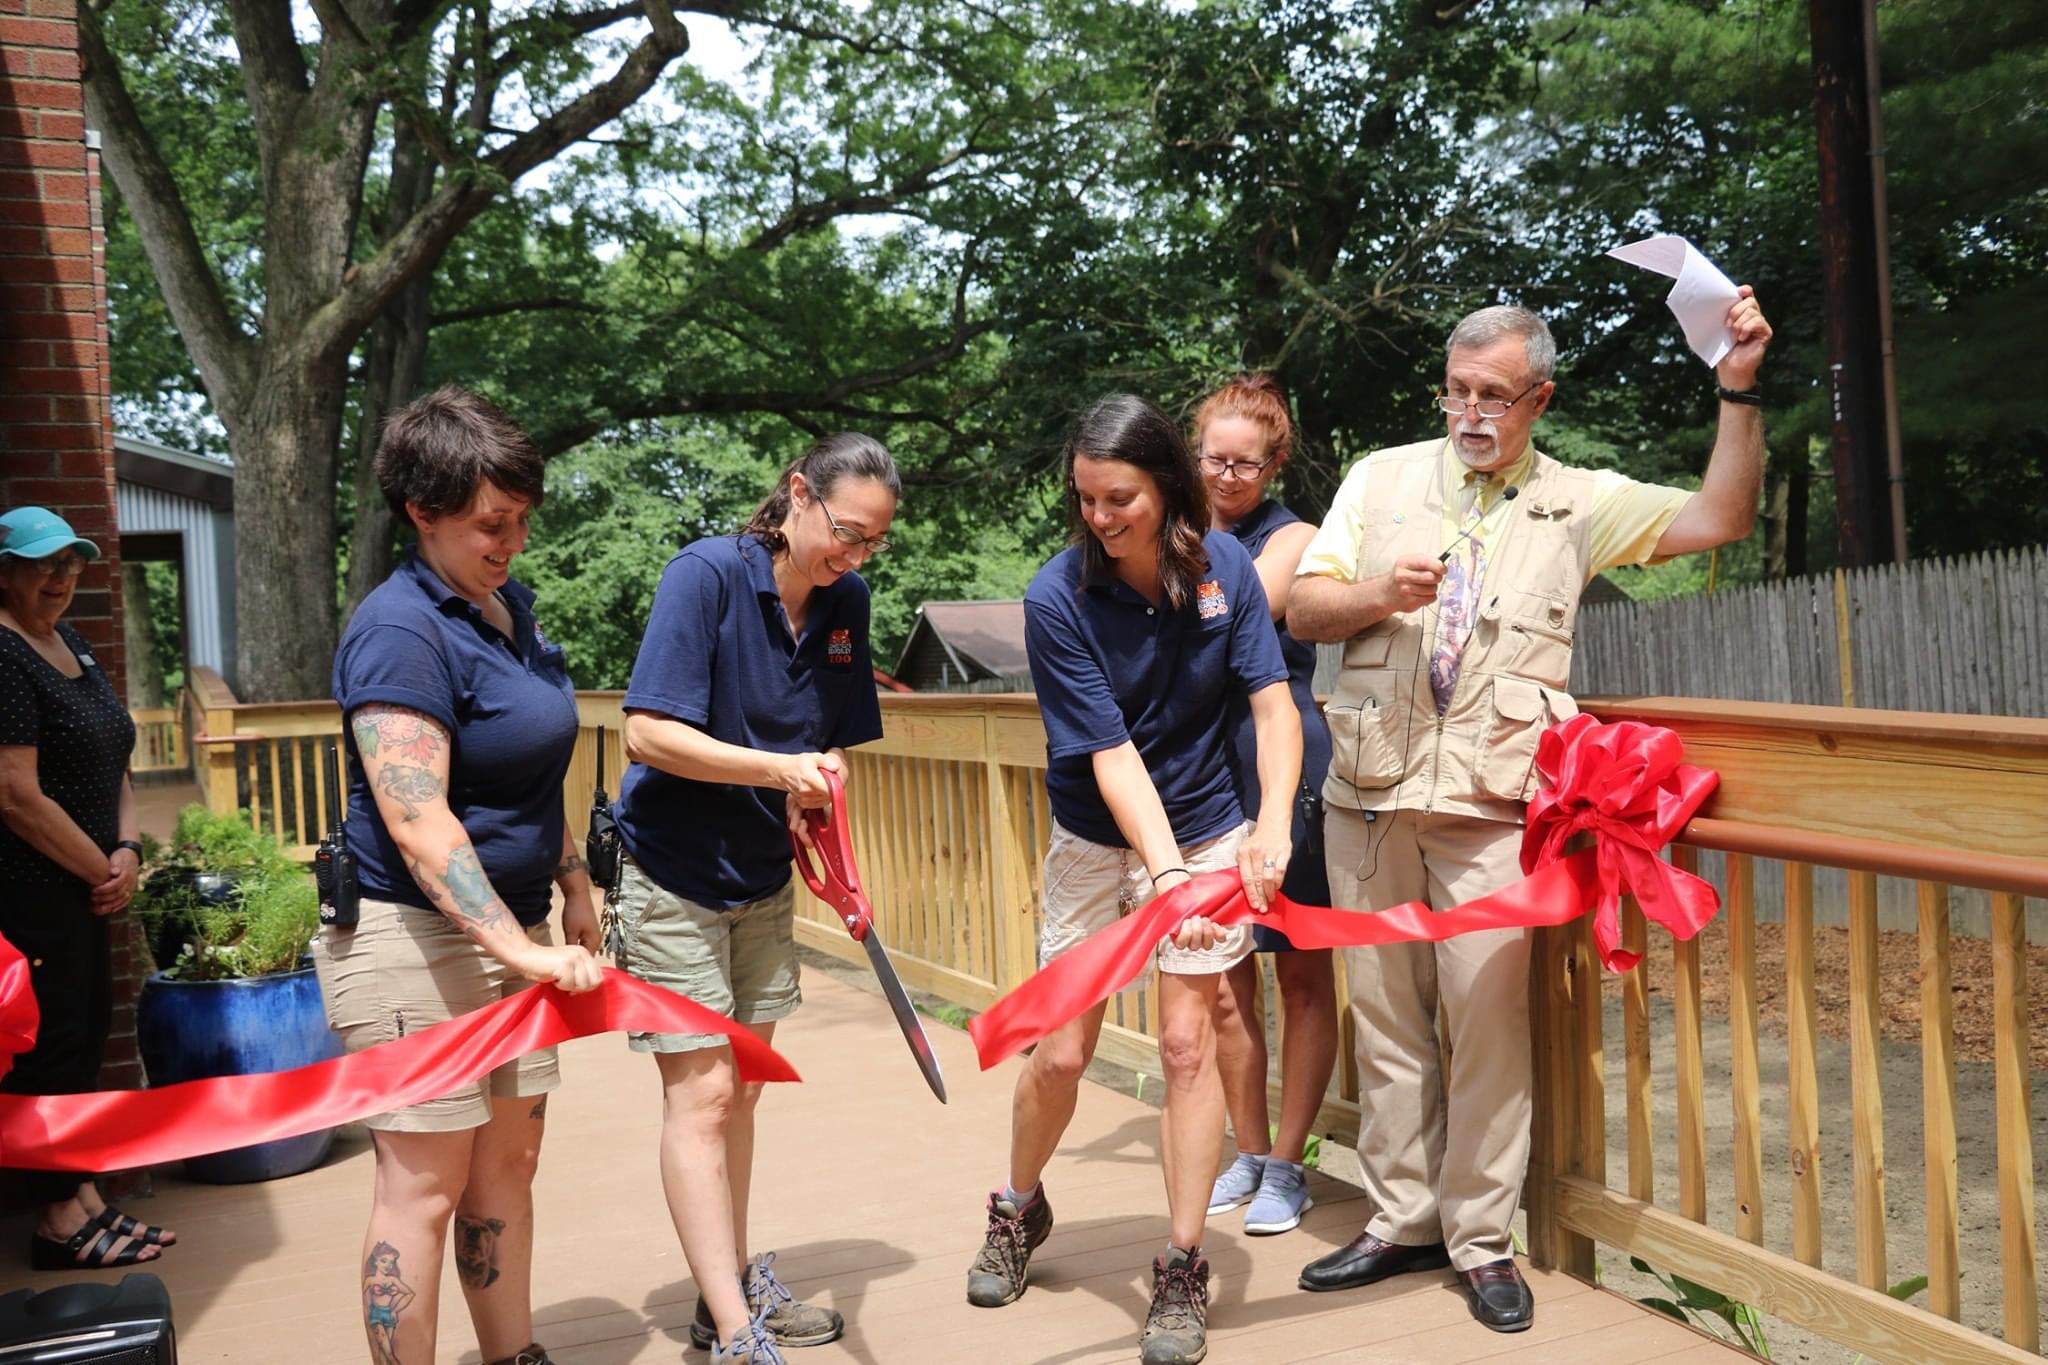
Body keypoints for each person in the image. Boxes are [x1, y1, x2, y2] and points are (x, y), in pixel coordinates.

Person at [1288, 295, 1773, 1331]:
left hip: (1490, 814)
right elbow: (1301, 608)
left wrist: (1735, 387)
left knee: (1488, 1031)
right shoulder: (1377, 478)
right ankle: (1396, 1220)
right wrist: (1377, 591)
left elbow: (1720, 517)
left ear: (1536, 399)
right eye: (1455, 391)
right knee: (1381, 1021)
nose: (1469, 411)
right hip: (1365, 799)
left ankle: (1478, 1240)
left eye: (1492, 396)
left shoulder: (1577, 502)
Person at [965, 395, 1303, 1365]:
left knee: (1188, 1044)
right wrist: (1158, 876)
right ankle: (1017, 1206)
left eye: (1119, 497)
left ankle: (1182, 1263)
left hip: (1203, 824)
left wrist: (1269, 825)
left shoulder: (1222, 566)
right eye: (1084, 499)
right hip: (1095, 834)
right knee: (1061, 1054)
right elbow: (1110, 757)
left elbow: (1271, 708)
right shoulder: (1054, 597)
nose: (1099, 516)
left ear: (1166, 487)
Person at [320, 388, 605, 1365]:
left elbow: (529, 768)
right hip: (413, 945)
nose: (513, 542)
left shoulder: (505, 608)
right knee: (423, 1191)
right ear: (422, 513)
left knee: (507, 1173)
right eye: (492, 524)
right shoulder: (399, 631)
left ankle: (511, 1355)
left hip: (514, 936)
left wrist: (570, 883)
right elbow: (417, 820)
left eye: (523, 520)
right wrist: (515, 948)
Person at [611, 432, 899, 1365]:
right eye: (845, 534)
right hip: (672, 873)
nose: (852, 558)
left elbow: (835, 739)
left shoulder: (845, 602)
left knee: (740, 1099)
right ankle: (735, 1329)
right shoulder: (703, 578)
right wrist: (778, 769)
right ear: (796, 494)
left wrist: (823, 803)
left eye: (871, 546)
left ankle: (722, 1285)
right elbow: (646, 733)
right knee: (700, 1096)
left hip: (762, 874)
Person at [0, 505, 175, 1270]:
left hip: (91, 883)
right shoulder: (4, 655)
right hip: (35, 892)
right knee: (52, 1049)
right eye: (42, 563)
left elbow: (115, 757)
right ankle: (57, 1220)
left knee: (84, 1038)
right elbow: (14, 792)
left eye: (71, 563)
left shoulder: (69, 642)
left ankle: (87, 1197)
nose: (61, 577)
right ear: (4, 569)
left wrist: (130, 845)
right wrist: (98, 866)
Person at [1192, 376, 1339, 1239]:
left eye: (1246, 462)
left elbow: (1222, 613)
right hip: (1201, 768)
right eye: (1212, 457)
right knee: (1222, 977)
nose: (1227, 475)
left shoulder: (1296, 538)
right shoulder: (1177, 529)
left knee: (1302, 965)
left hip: (1280, 760)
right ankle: (1247, 1149)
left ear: (1275, 461)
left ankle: (1289, 1160)